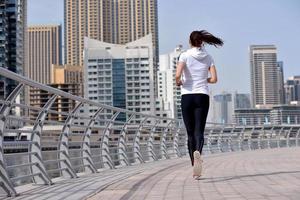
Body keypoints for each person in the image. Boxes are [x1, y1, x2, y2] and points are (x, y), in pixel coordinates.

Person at [175, 30, 223, 179]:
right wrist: (204, 80)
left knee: (190, 133)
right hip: (202, 96)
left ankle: (194, 168)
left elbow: (177, 76)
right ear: (202, 42)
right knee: (199, 131)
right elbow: (214, 79)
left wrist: (180, 82)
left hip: (187, 96)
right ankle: (198, 154)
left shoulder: (184, 55)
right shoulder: (208, 57)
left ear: (190, 41)